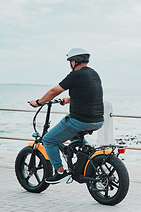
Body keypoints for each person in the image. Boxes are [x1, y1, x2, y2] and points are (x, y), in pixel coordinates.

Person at [29, 48, 104, 184]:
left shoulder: (75, 75)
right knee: (73, 134)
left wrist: (39, 102)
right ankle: (86, 148)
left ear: (74, 62)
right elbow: (88, 92)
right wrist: (69, 99)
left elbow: (53, 91)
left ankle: (59, 172)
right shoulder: (94, 74)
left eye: (70, 61)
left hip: (80, 121)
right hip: (98, 120)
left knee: (49, 140)